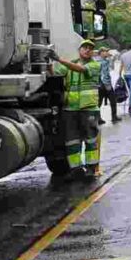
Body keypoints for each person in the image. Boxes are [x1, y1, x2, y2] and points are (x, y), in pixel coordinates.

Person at [50, 40, 103, 177]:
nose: (87, 50)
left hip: (89, 108)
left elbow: (80, 69)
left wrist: (58, 59)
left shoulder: (95, 65)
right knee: (72, 141)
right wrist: (49, 63)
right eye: (84, 47)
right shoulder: (70, 64)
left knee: (90, 140)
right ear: (79, 50)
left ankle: (91, 168)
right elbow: (55, 74)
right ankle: (75, 169)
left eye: (90, 48)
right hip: (71, 108)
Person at [96, 47, 120, 123]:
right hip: (103, 85)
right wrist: (105, 84)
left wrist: (110, 56)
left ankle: (112, 117)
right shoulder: (100, 62)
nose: (107, 52)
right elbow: (101, 74)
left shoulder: (105, 61)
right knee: (108, 102)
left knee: (103, 102)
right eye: (105, 51)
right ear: (101, 53)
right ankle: (112, 117)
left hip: (104, 84)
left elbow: (112, 68)